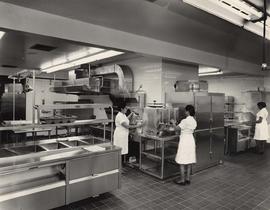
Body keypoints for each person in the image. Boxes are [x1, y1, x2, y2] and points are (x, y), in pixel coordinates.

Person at [171, 105, 197, 185]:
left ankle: (182, 180)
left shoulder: (185, 120)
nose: (185, 112)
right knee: (189, 161)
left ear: (188, 112)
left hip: (185, 141)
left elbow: (176, 128)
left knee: (182, 162)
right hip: (191, 140)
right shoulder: (194, 120)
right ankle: (187, 179)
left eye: (185, 111)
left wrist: (173, 123)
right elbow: (186, 129)